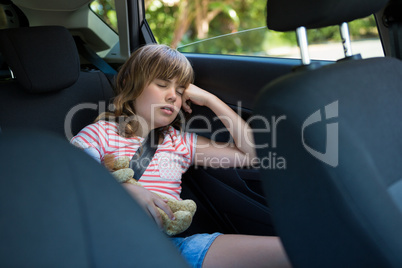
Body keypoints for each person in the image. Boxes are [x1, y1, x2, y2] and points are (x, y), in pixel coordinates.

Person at [71, 44, 291, 268]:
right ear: (130, 84)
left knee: (298, 251)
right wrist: (123, 189)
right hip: (108, 247)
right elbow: (72, 179)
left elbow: (253, 155)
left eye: (180, 91)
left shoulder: (181, 143)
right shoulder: (101, 133)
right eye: (162, 85)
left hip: (171, 248)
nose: (172, 96)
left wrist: (210, 100)